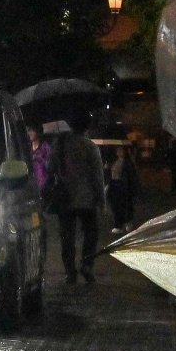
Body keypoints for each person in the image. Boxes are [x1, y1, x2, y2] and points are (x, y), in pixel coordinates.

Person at [44, 116, 107, 284]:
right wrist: (101, 200)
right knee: (91, 234)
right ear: (86, 128)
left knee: (67, 236)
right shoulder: (90, 146)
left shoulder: (60, 144)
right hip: (87, 198)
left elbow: (50, 170)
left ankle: (69, 271)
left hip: (65, 198)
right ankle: (87, 264)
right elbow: (97, 176)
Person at [105, 143, 139, 234]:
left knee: (125, 205)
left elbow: (132, 176)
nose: (119, 152)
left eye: (121, 150)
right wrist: (107, 168)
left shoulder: (128, 162)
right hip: (114, 185)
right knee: (116, 206)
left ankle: (127, 222)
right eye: (118, 150)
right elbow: (111, 174)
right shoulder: (114, 161)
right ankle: (119, 225)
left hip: (123, 186)